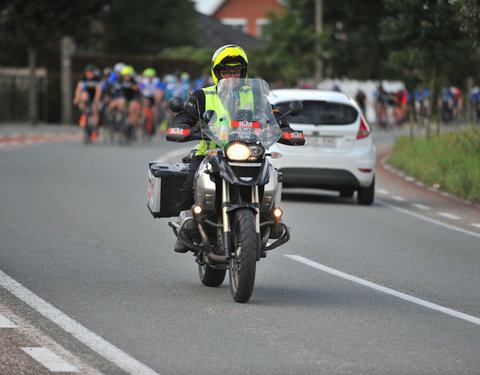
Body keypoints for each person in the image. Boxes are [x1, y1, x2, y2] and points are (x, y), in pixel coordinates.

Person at [169, 44, 295, 253]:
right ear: (217, 72)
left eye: (235, 71)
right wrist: (181, 126)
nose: (231, 75)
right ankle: (188, 226)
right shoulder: (203, 95)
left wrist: (286, 128)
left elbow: (272, 114)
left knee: (271, 175)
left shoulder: (254, 95)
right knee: (191, 177)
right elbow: (185, 116)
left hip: (249, 151)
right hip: (211, 152)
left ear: (243, 72)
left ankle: (267, 219)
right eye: (226, 71)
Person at [73, 64, 102, 141]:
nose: (89, 74)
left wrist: (96, 100)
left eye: (90, 72)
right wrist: (76, 98)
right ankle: (84, 114)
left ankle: (95, 128)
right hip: (86, 98)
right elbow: (78, 89)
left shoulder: (97, 79)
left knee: (95, 110)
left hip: (95, 98)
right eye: (87, 72)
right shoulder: (83, 79)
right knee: (83, 96)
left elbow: (98, 91)